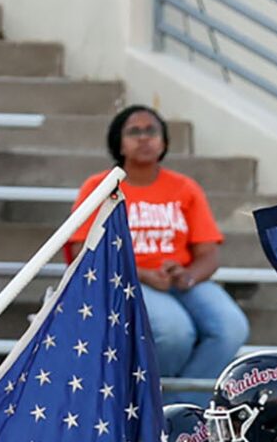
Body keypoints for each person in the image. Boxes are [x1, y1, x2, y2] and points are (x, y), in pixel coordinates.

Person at [88, 105, 246, 384]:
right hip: (124, 279)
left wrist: (188, 276)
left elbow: (208, 254)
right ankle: (153, 404)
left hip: (178, 279)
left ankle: (177, 406)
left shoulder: (185, 187)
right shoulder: (99, 187)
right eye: (134, 132)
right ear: (119, 143)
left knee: (231, 328)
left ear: (164, 142)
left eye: (151, 131)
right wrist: (143, 274)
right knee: (175, 333)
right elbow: (83, 252)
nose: (144, 138)